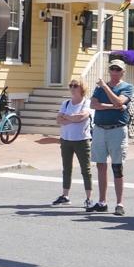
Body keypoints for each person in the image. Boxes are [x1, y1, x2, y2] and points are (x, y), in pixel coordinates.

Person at [87, 59, 134, 215]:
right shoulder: (99, 89)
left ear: (123, 72)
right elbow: (94, 104)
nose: (114, 72)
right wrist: (113, 106)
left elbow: (120, 101)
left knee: (117, 167)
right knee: (101, 165)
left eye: (118, 69)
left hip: (117, 130)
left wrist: (106, 88)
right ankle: (102, 201)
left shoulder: (127, 87)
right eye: (112, 69)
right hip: (100, 129)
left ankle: (119, 203)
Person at [52, 79, 94, 208]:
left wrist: (67, 117)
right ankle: (65, 195)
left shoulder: (87, 103)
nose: (72, 88)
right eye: (71, 85)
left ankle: (89, 198)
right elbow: (59, 120)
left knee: (85, 169)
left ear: (82, 88)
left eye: (75, 86)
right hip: (66, 139)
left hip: (82, 140)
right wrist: (72, 118)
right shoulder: (65, 103)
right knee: (66, 168)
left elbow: (81, 117)